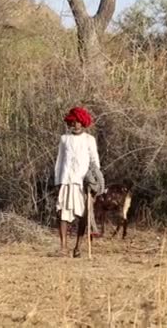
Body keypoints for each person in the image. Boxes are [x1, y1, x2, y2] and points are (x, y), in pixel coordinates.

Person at [52, 106, 100, 257]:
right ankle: (63, 247)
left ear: (83, 123)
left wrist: (94, 182)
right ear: (70, 123)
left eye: (78, 122)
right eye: (73, 122)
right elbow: (59, 162)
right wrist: (58, 181)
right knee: (63, 214)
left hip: (82, 182)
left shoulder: (89, 140)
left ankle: (78, 247)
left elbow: (95, 162)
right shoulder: (64, 139)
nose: (76, 125)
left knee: (83, 215)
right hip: (66, 181)